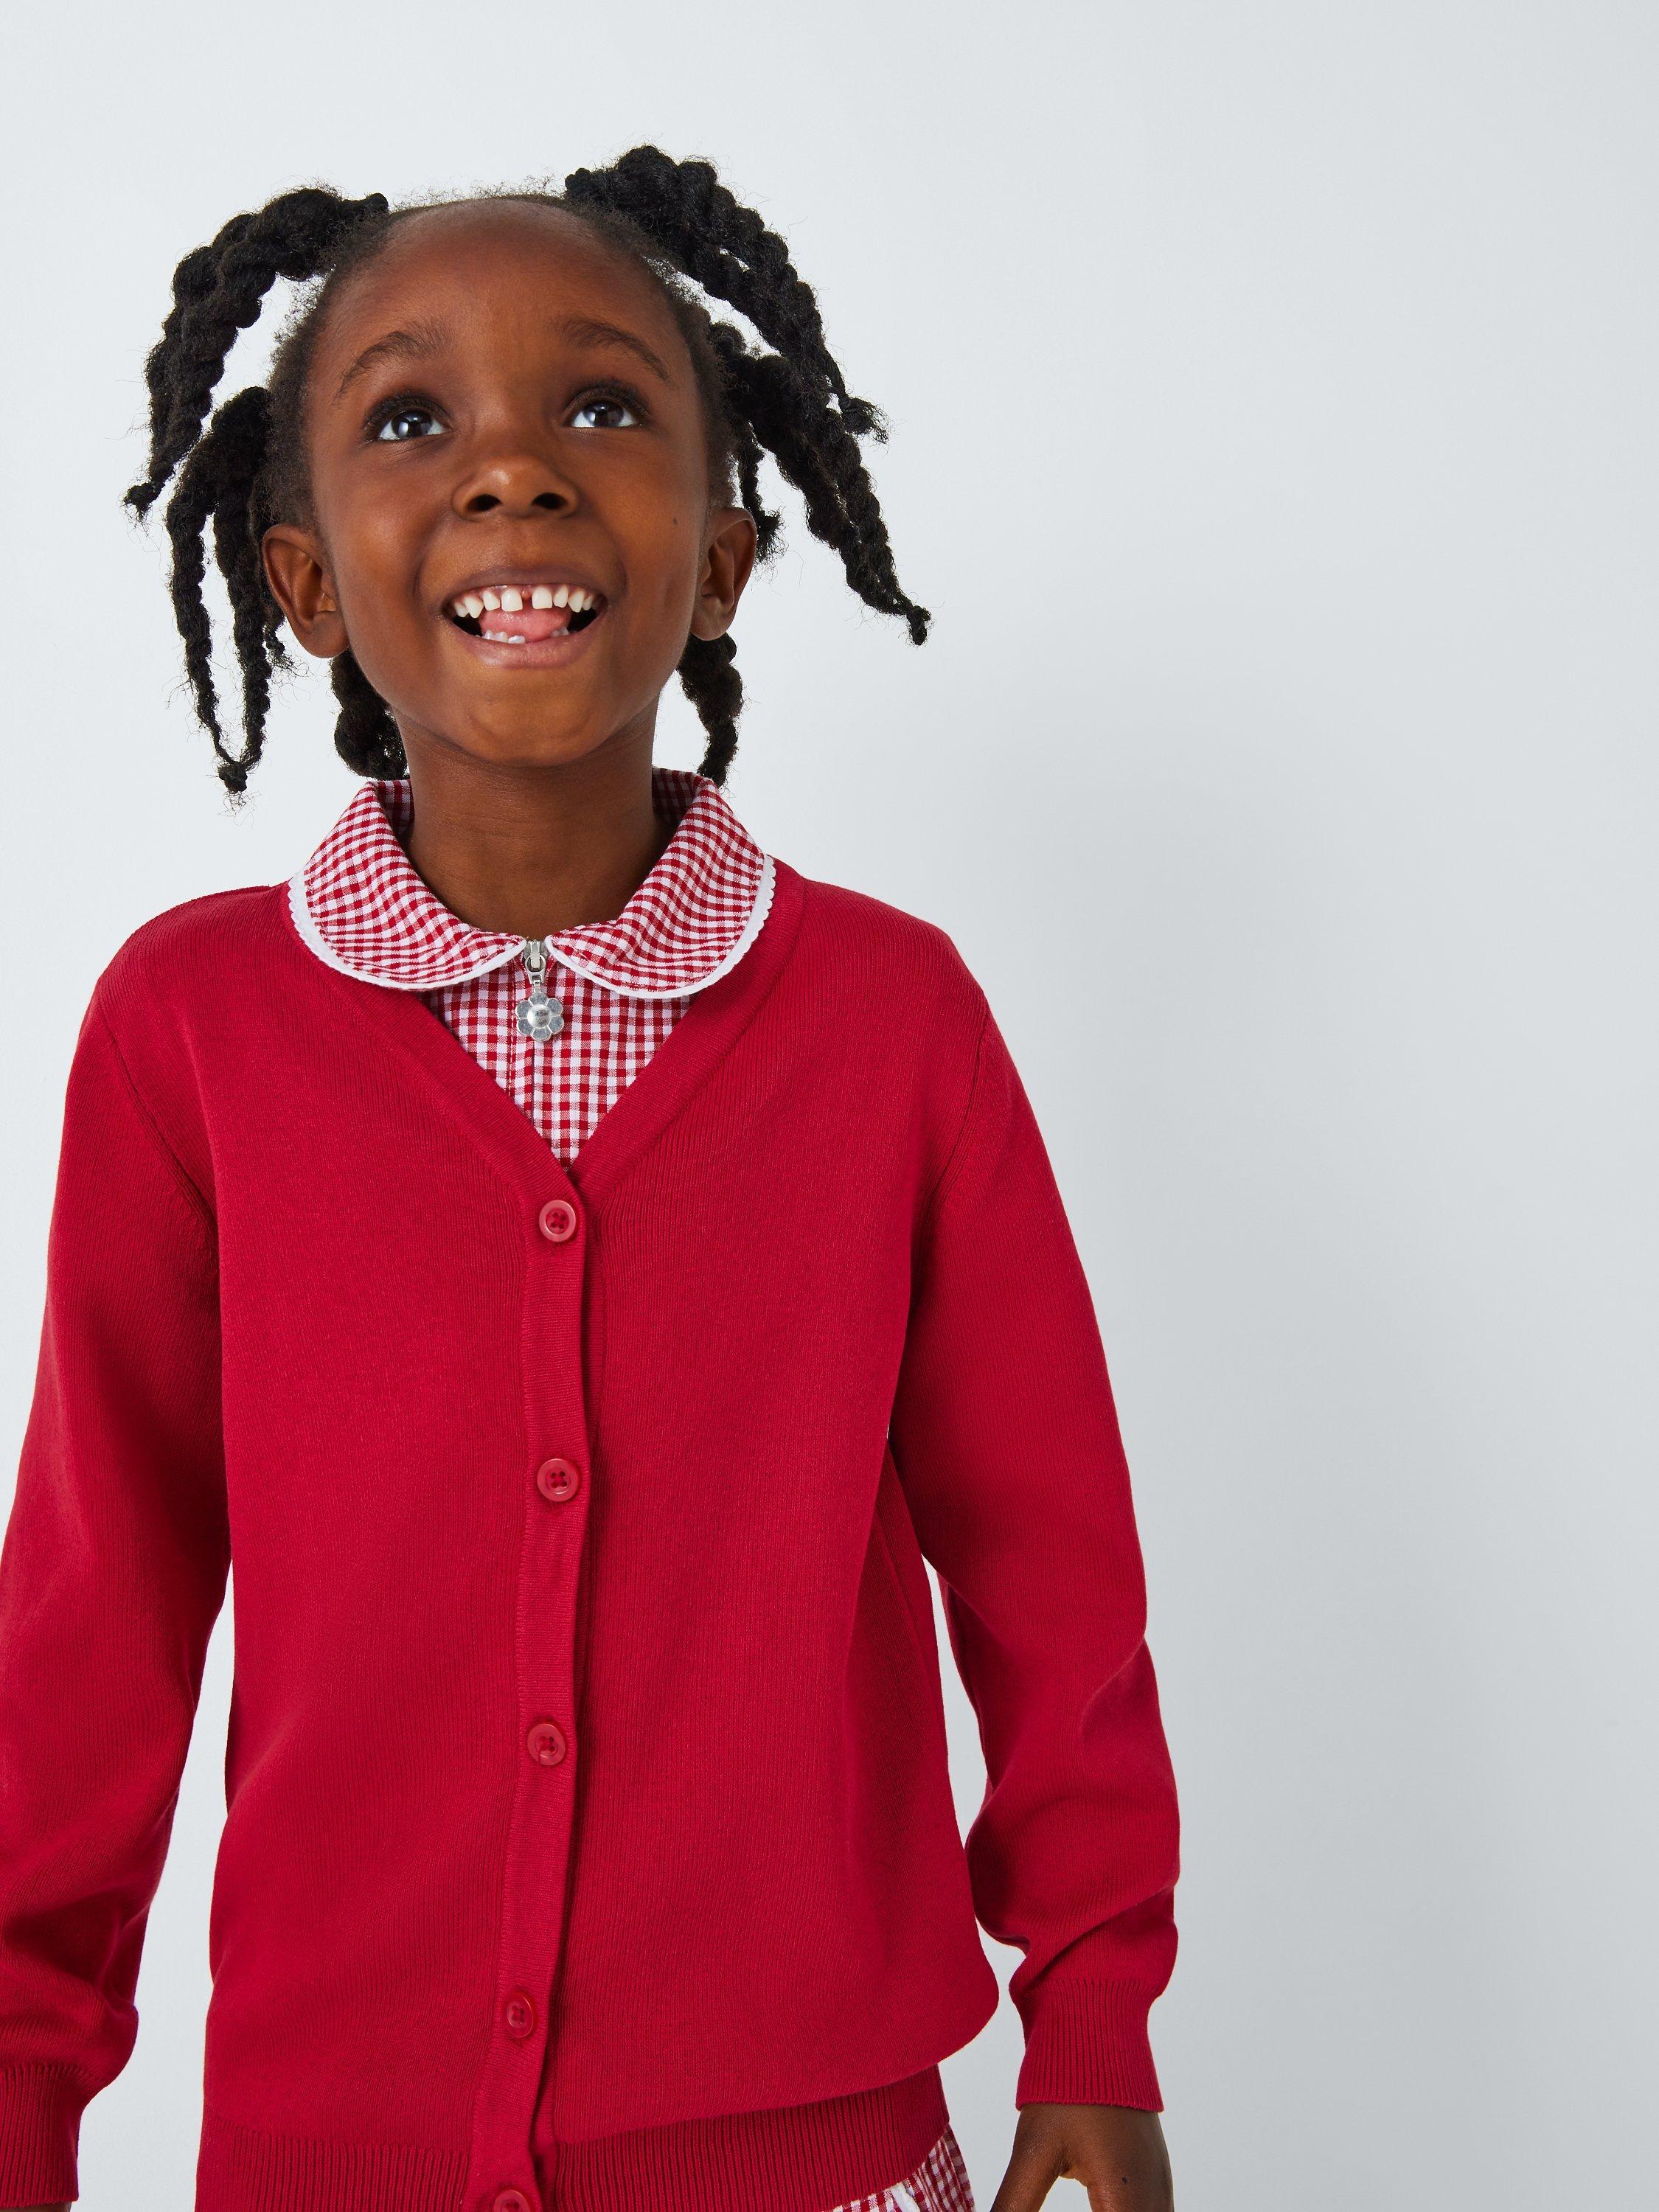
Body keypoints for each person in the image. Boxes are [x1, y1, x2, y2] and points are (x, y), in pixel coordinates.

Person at [0, 149, 1179, 2212]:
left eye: (604, 407)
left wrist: (1092, 2012)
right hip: (328, 2156)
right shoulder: (190, 1032)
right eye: (409, 419)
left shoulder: (890, 1020)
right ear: (304, 585)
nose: (515, 473)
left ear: (723, 561)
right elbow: (97, 1622)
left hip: (815, 2153)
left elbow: (1048, 1557)